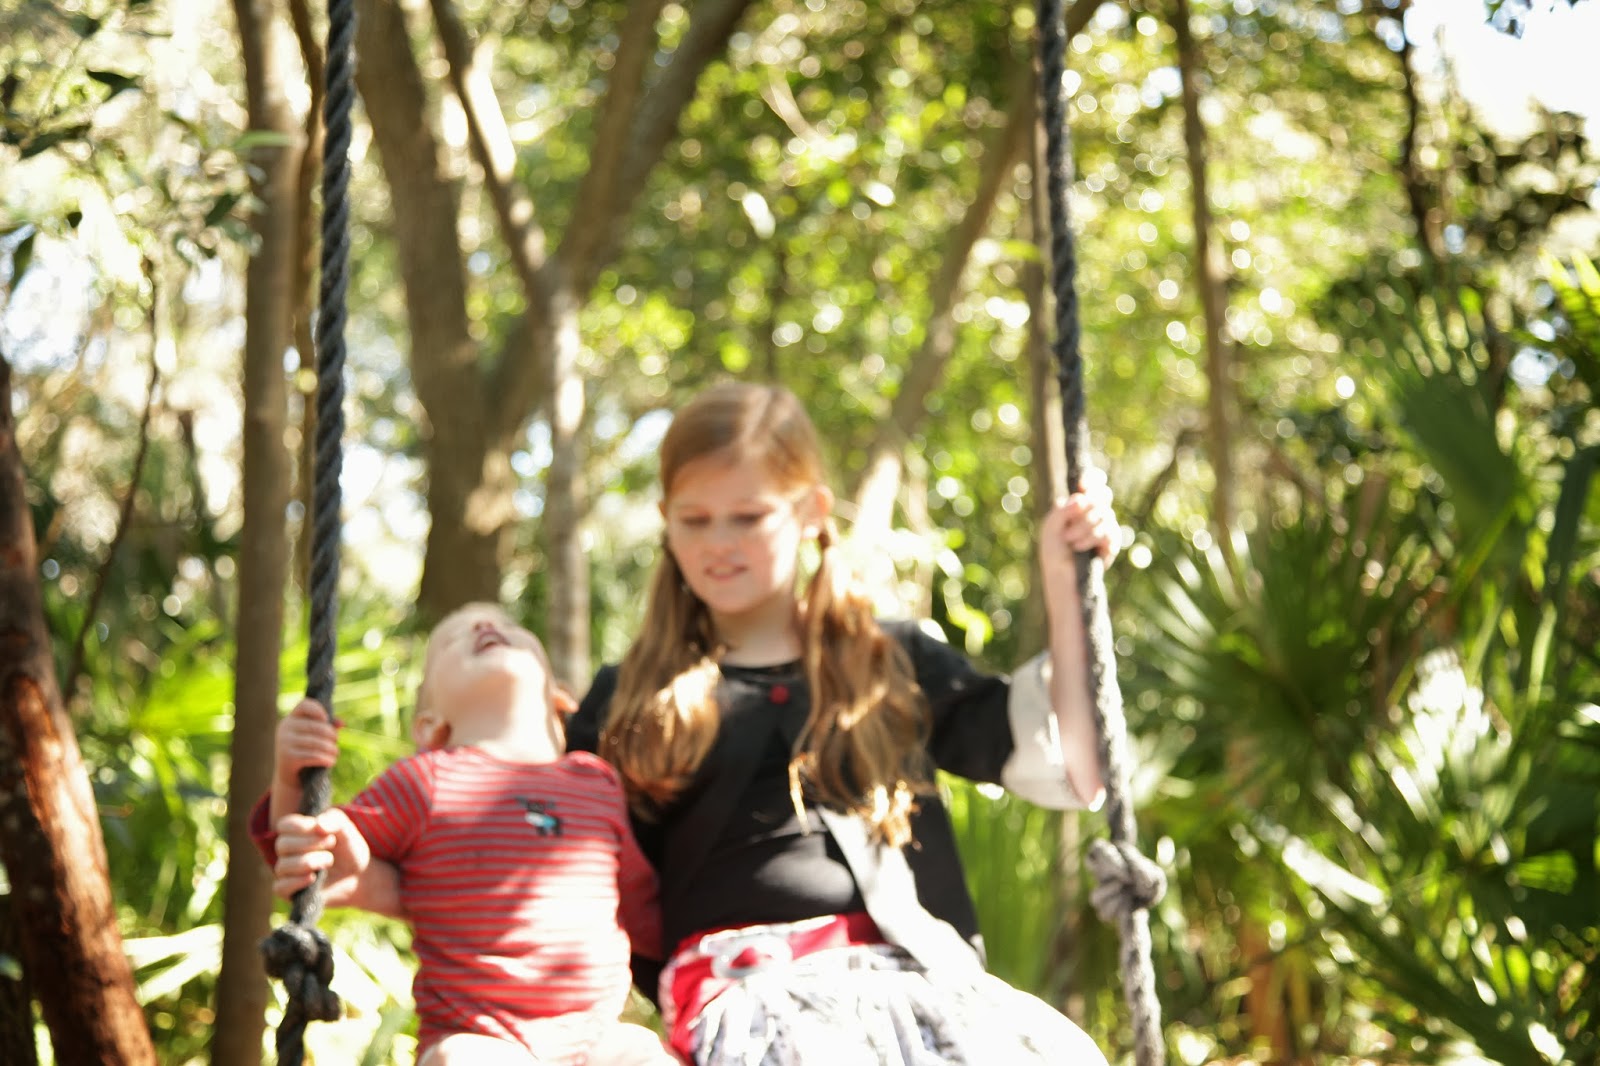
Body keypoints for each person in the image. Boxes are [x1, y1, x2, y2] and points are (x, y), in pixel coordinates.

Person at [278, 382, 1122, 1065]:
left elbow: (1077, 769)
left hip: (919, 985)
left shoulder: (889, 663)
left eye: (748, 517)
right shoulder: (629, 704)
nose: (720, 543)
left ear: (810, 511)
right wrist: (351, 868)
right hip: (750, 995)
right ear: (667, 524)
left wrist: (1066, 583)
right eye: (695, 519)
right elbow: (510, 850)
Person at [261, 602, 677, 1066]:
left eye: (507, 624)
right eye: (453, 639)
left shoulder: (595, 783)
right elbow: (306, 855)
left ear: (560, 699)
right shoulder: (426, 781)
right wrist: (291, 777)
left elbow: (644, 909)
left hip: (594, 1036)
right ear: (429, 725)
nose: (485, 626)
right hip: (479, 1035)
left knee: (642, 1052)